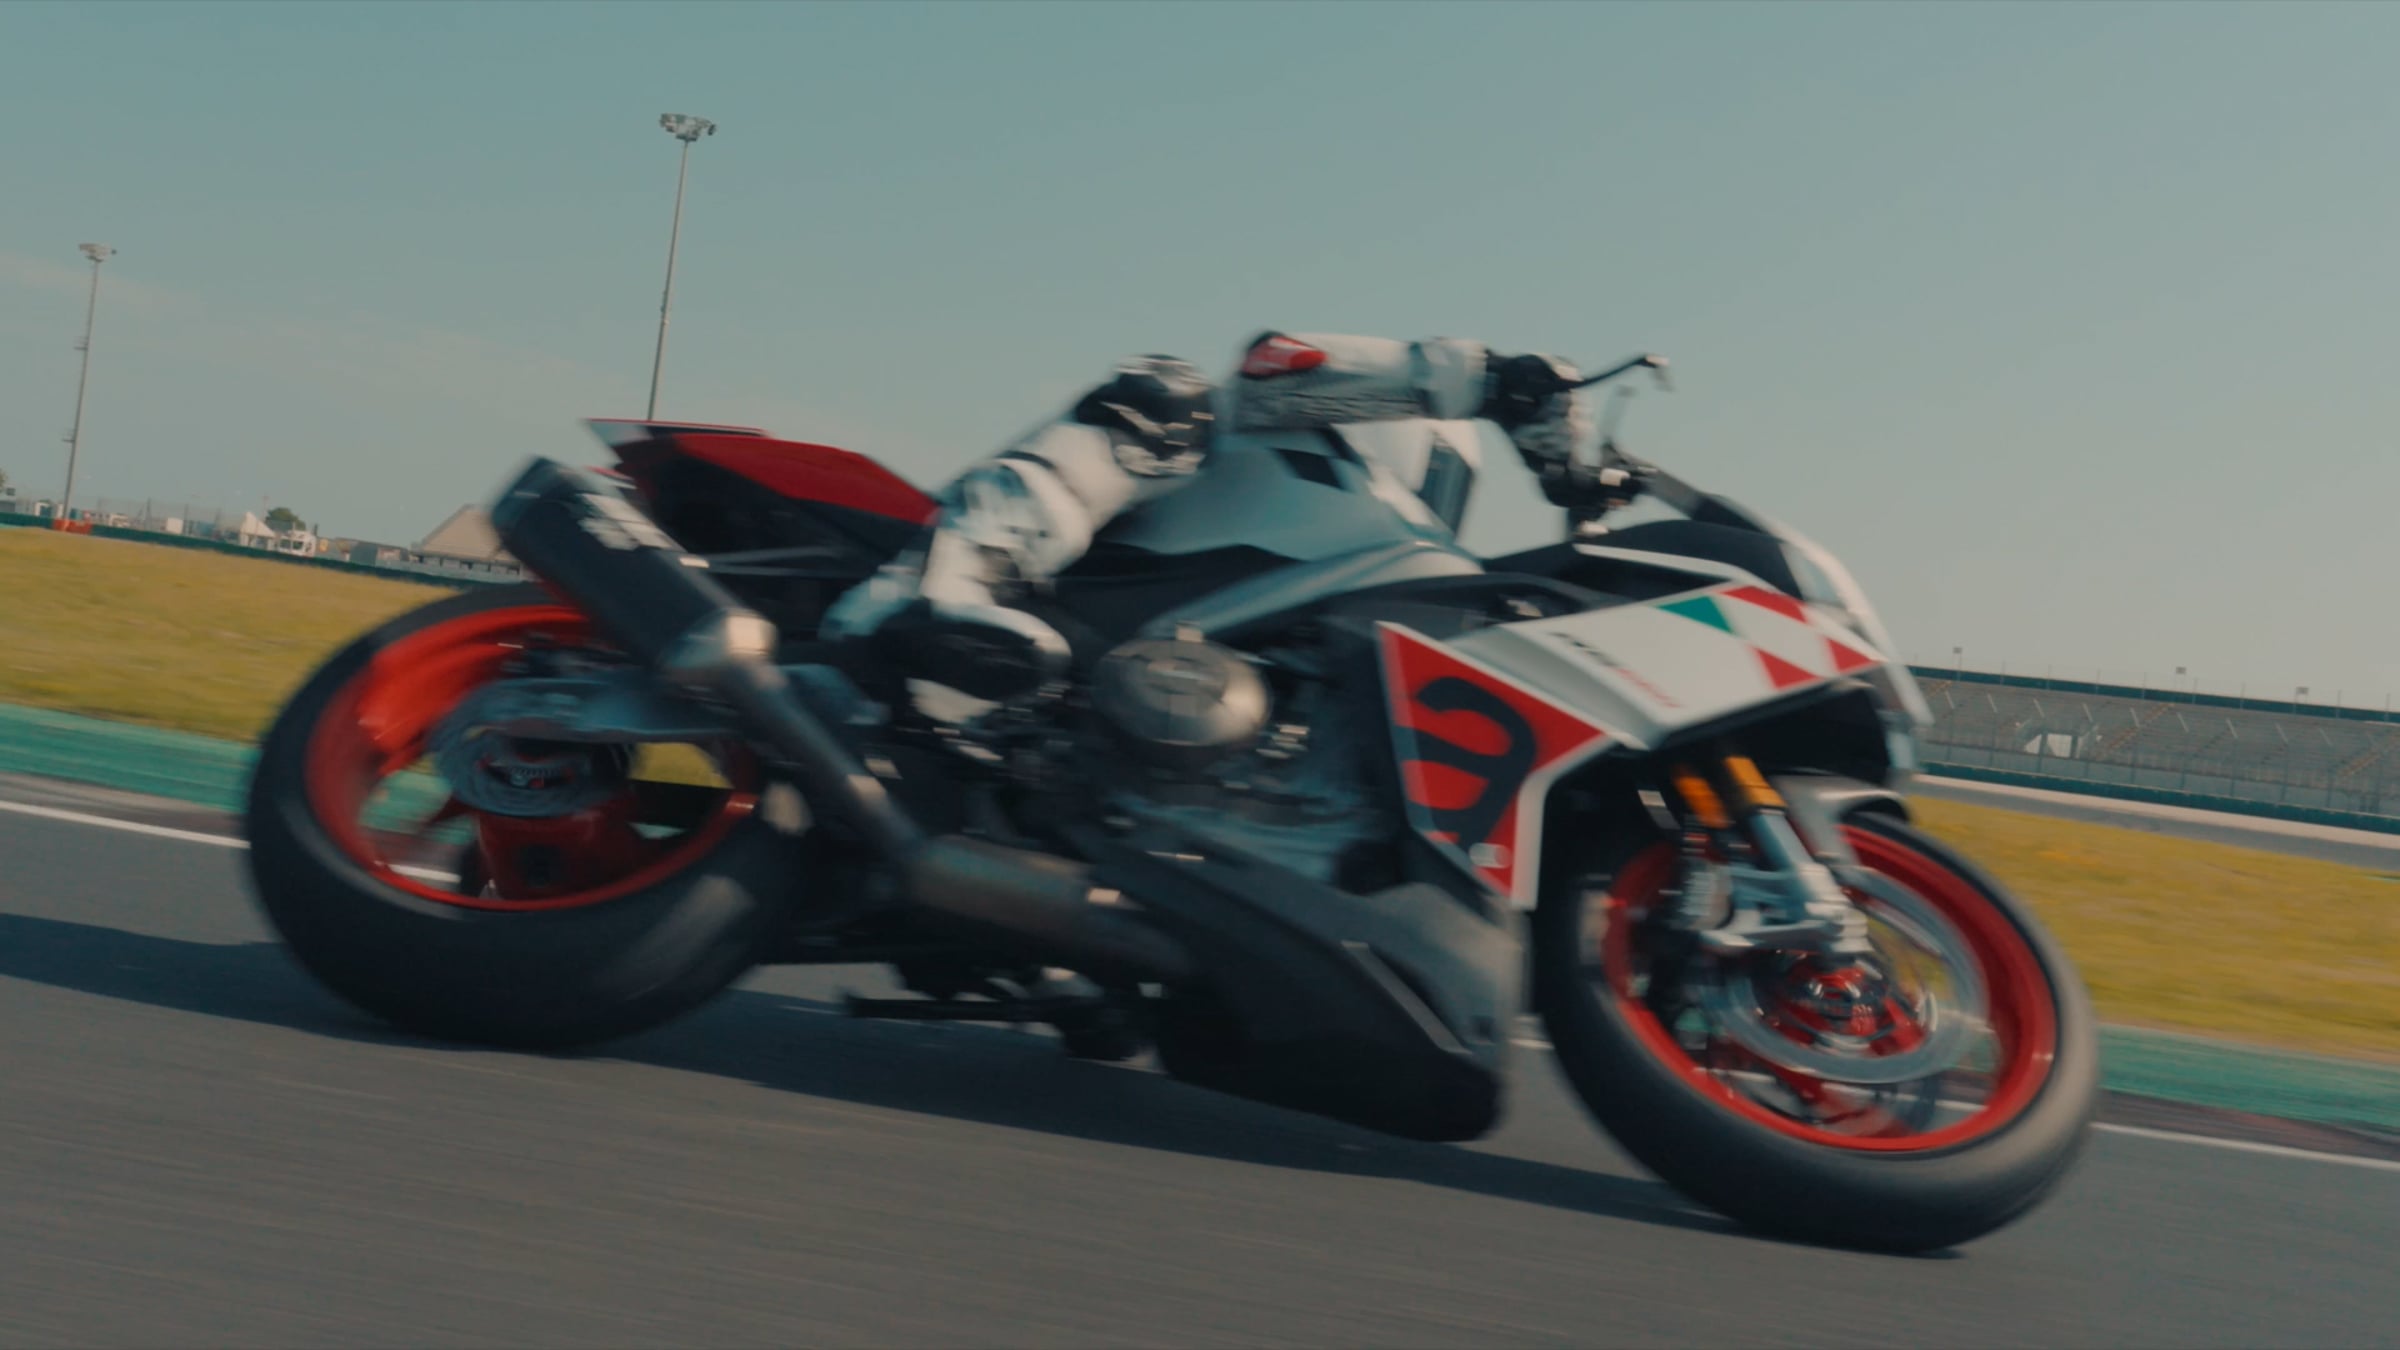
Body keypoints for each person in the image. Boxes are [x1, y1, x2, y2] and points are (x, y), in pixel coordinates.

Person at [823, 331, 1590, 722]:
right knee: (1167, 401)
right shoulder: (1278, 433)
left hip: (1122, 675)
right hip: (1071, 577)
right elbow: (1277, 361)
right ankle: (942, 582)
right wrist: (1495, 380)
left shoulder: (1385, 577)